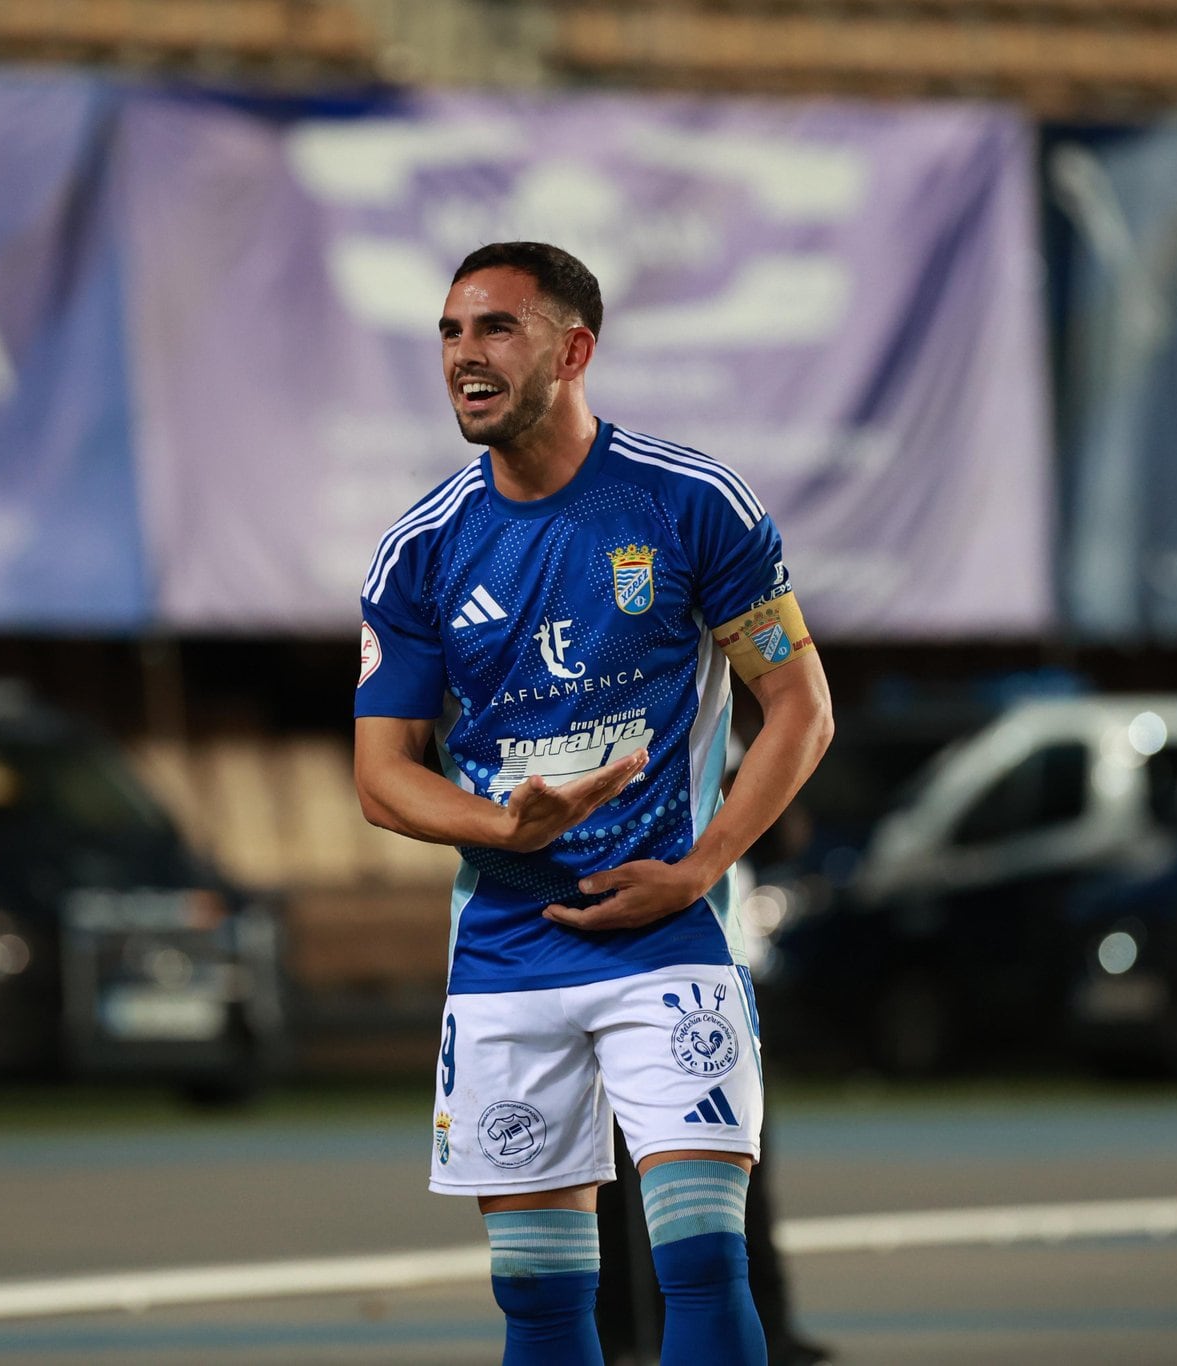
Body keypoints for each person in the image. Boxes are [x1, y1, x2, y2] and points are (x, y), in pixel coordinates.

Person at [352, 241, 833, 1366]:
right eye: (450, 332)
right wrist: (499, 827)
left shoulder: (688, 504)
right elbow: (381, 775)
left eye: (496, 330)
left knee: (702, 1265)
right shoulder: (417, 551)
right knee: (540, 1303)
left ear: (573, 350)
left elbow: (799, 708)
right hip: (507, 956)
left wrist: (698, 867)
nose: (464, 356)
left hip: (667, 937)